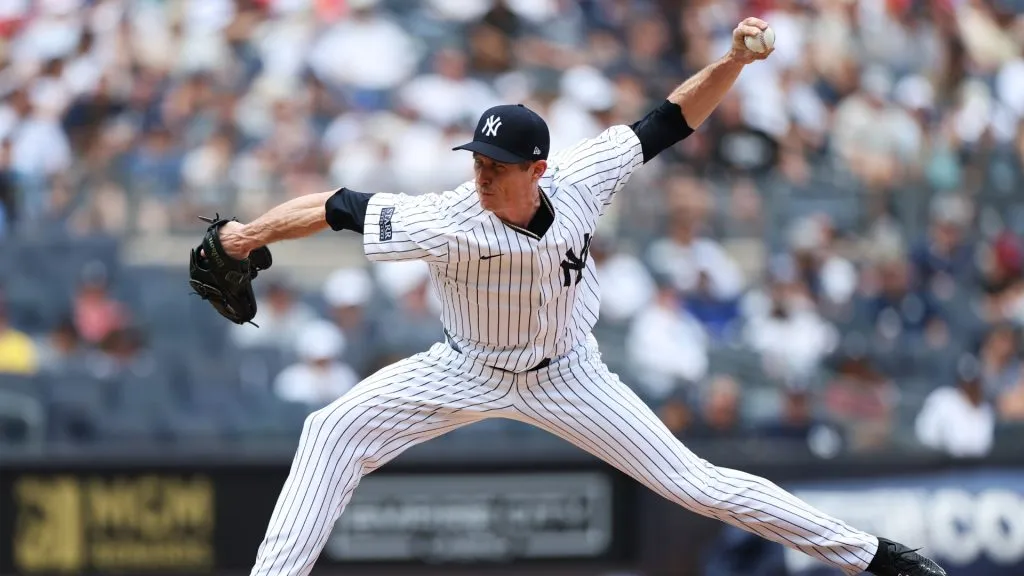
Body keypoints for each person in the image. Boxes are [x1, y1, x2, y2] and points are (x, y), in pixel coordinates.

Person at [210, 18, 945, 576]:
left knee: (698, 484)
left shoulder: (583, 179)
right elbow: (337, 205)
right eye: (478, 160)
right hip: (461, 366)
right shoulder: (449, 219)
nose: (482, 175)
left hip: (570, 375)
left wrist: (731, 61)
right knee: (330, 432)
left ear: (538, 168)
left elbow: (671, 119)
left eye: (498, 165)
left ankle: (874, 558)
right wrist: (242, 240)